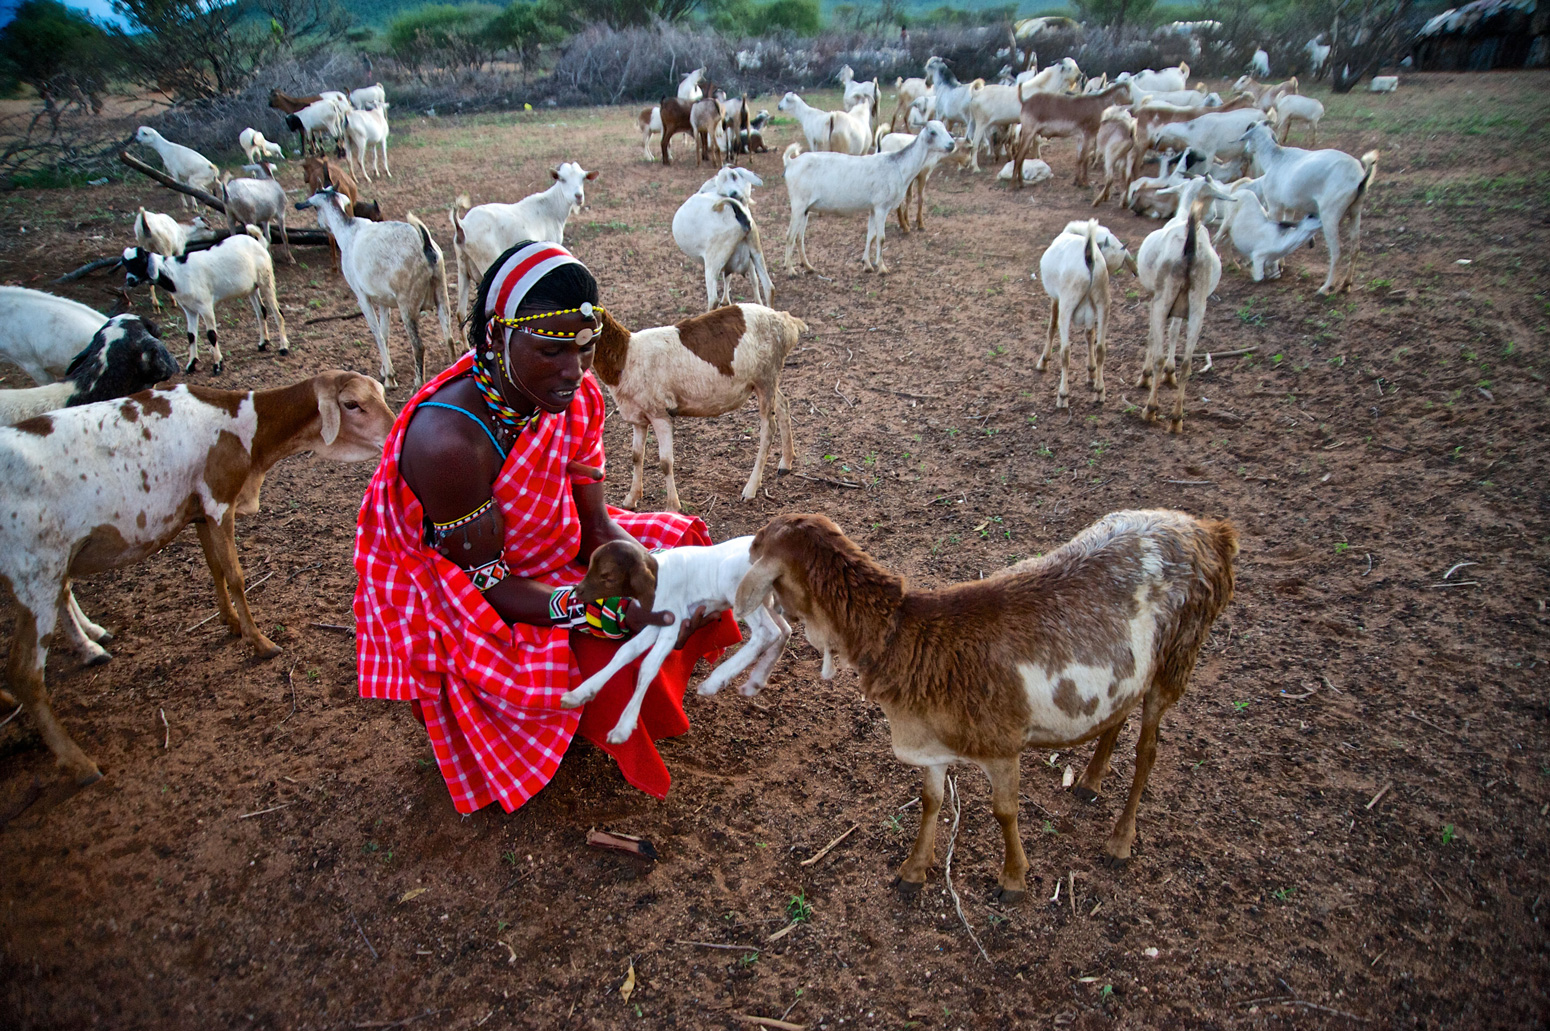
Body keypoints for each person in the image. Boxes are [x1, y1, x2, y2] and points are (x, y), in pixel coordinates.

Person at [354, 240, 740, 815]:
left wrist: (659, 583)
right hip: (472, 594)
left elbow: (596, 526)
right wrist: (600, 608)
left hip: (550, 543)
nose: (575, 370)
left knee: (684, 553)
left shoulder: (577, 395)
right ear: (493, 338)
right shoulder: (449, 444)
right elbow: (490, 590)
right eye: (552, 351)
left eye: (585, 349)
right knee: (616, 635)